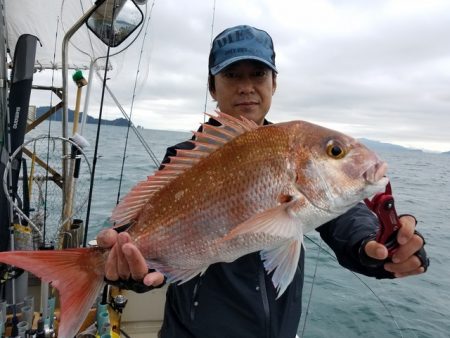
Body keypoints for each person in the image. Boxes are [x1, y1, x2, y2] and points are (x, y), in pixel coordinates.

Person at [97, 25, 429, 338]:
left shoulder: (292, 150)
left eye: (258, 74)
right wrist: (130, 271)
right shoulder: (185, 157)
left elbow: (345, 217)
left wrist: (377, 246)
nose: (246, 86)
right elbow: (140, 238)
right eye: (231, 75)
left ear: (273, 83)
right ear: (212, 87)